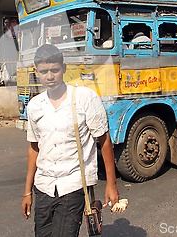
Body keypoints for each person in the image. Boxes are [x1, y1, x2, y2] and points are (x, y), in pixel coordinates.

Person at [21, 44, 119, 237]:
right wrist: (27, 192)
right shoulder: (35, 106)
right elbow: (34, 147)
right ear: (36, 72)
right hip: (43, 186)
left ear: (63, 69)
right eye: (43, 71)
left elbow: (104, 140)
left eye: (54, 70)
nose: (49, 76)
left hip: (73, 184)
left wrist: (111, 184)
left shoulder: (84, 98)